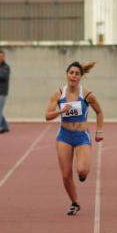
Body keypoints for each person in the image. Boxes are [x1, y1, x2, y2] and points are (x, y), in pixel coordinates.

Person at [45, 61, 104, 216]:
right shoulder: (58, 94)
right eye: (71, 73)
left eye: (77, 73)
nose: (73, 76)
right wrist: (61, 111)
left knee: (82, 171)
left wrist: (99, 131)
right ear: (67, 74)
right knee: (65, 175)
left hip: (81, 136)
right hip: (64, 135)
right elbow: (47, 116)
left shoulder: (87, 95)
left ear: (81, 76)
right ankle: (75, 202)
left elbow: (99, 112)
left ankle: (82, 174)